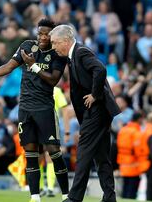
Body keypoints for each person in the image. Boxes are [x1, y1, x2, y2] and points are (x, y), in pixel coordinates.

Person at [0, 19, 69, 202]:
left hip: (45, 108)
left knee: (54, 152)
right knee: (30, 154)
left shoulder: (58, 54)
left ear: (53, 35)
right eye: (39, 33)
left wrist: (34, 66)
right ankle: (35, 197)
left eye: (46, 34)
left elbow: (54, 80)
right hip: (25, 108)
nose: (42, 37)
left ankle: (66, 195)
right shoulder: (27, 46)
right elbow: (9, 66)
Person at [47, 24, 120, 202]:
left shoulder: (80, 52)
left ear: (65, 41)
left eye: (55, 43)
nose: (54, 47)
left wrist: (95, 94)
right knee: (101, 156)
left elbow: (100, 69)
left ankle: (75, 198)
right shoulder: (73, 55)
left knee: (84, 152)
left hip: (97, 111)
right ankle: (109, 197)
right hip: (96, 112)